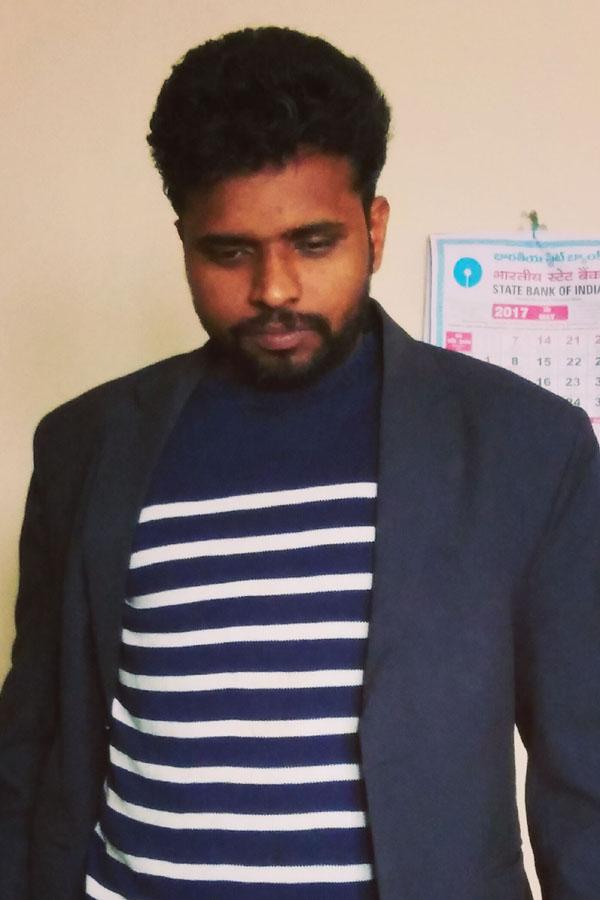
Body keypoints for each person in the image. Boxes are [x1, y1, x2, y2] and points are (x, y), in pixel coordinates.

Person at [1, 26, 599, 900]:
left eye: (314, 243)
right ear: (184, 239)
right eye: (230, 251)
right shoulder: (84, 446)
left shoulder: (524, 445)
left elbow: (586, 778)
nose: (274, 288)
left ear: (374, 229)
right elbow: (31, 745)